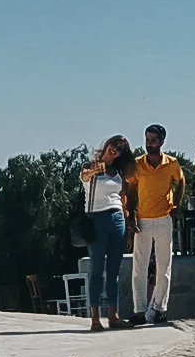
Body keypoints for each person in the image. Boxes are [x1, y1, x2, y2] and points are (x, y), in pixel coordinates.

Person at [127, 124, 184, 325]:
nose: (149, 144)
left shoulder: (172, 164)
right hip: (142, 219)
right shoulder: (137, 164)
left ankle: (160, 308)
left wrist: (177, 203)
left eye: (153, 140)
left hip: (163, 218)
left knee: (164, 265)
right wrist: (130, 215)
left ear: (161, 142)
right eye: (147, 140)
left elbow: (181, 182)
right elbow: (131, 189)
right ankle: (139, 310)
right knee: (139, 266)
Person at [78, 135, 136, 331]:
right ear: (107, 144)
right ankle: (95, 318)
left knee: (114, 270)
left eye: (120, 149)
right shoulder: (91, 166)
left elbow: (123, 199)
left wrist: (128, 226)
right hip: (97, 218)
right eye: (114, 146)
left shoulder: (118, 172)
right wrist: (94, 170)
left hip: (117, 217)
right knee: (96, 270)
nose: (115, 150)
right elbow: (84, 177)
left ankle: (113, 315)